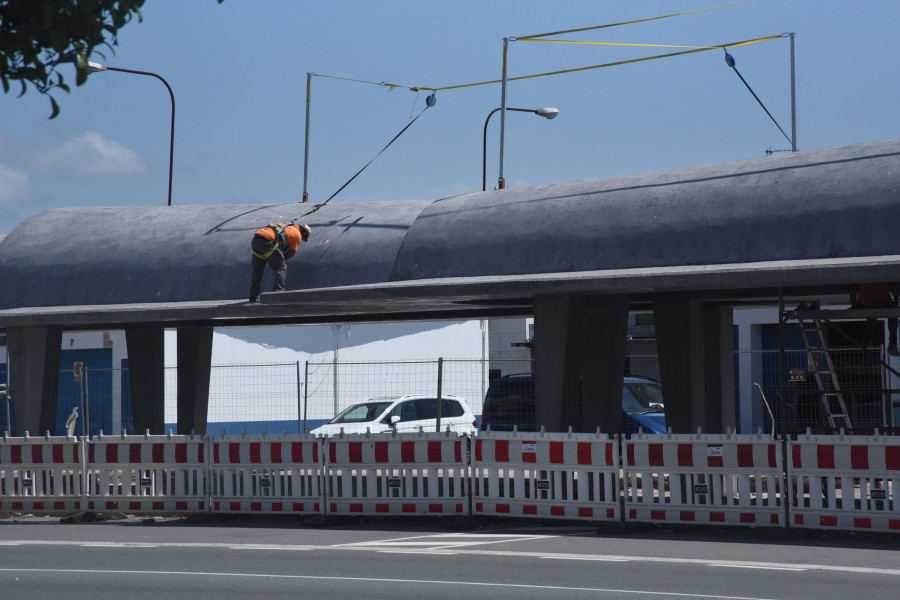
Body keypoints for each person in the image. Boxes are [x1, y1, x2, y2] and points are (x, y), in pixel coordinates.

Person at [249, 222, 311, 302]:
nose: (302, 239)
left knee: (257, 271)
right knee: (281, 267)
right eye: (304, 237)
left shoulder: (286, 226)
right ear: (304, 233)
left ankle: (253, 296)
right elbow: (291, 253)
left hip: (256, 240)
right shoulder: (298, 235)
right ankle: (278, 295)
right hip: (267, 242)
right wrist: (281, 258)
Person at [851, 283, 899, 356]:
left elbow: (853, 287)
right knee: (893, 314)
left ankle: (868, 336)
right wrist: (896, 304)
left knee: (872, 309)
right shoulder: (887, 273)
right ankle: (893, 340)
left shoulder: (859, 272)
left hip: (864, 301)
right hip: (883, 300)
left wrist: (853, 305)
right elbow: (895, 287)